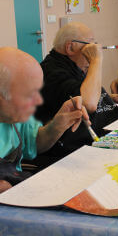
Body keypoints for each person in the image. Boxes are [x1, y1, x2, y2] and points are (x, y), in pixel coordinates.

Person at [35, 22, 118, 167]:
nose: (94, 50)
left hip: (112, 135)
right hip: (79, 153)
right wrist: (96, 60)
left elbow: (84, 92)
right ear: (70, 47)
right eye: (90, 46)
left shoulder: (76, 65)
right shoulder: (52, 72)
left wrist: (109, 98)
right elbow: (88, 104)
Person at [0, 47, 89, 193]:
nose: (38, 101)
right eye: (28, 94)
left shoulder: (16, 114)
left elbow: (34, 144)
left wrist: (57, 125)